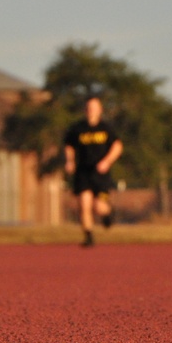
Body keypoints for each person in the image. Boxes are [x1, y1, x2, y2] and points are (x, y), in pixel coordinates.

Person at [63, 95, 124, 248]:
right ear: (85, 110)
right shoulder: (78, 128)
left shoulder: (106, 128)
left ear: (100, 110)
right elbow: (69, 146)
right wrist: (69, 161)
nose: (90, 110)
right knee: (84, 204)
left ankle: (107, 214)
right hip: (83, 171)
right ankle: (88, 236)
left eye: (93, 108)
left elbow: (117, 146)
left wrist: (107, 161)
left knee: (99, 206)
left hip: (100, 173)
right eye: (88, 108)